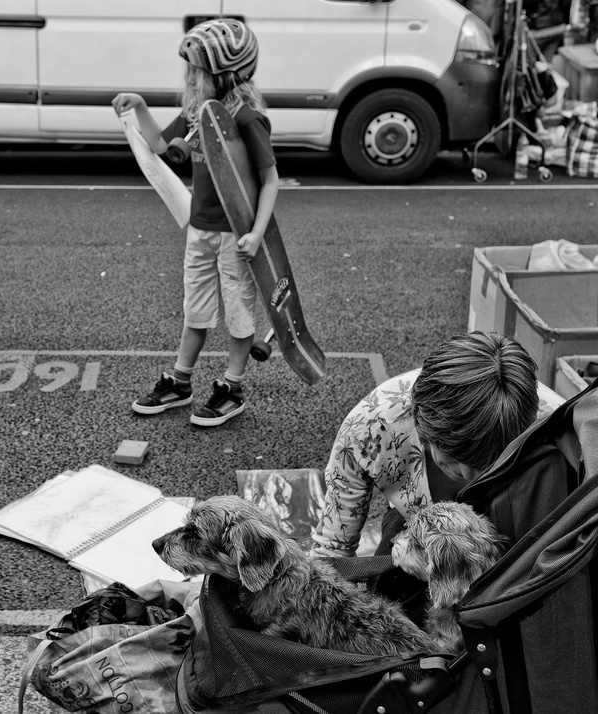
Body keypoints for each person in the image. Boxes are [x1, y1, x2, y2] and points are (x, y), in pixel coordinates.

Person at [112, 18, 280, 427]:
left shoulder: (246, 119)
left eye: (197, 71)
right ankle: (181, 382)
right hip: (199, 230)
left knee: (239, 314)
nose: (190, 77)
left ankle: (231, 388)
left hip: (235, 236)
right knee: (196, 312)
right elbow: (159, 146)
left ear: (225, 74)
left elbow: (271, 178)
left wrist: (257, 233)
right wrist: (140, 107)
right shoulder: (197, 115)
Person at [311, 331, 565, 558]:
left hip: (520, 542)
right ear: (421, 426)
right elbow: (333, 551)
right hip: (416, 533)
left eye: (490, 463)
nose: (468, 476)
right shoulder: (369, 427)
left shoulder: (557, 427)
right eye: (454, 458)